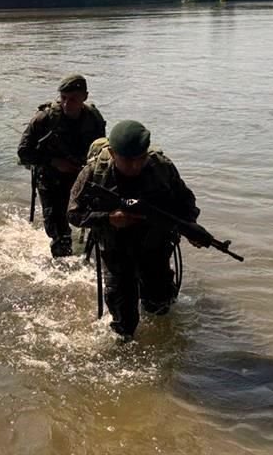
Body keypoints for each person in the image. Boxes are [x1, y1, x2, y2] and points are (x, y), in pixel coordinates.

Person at [67, 120, 204, 340]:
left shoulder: (161, 167)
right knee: (124, 323)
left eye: (141, 159)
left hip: (155, 246)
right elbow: (74, 214)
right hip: (116, 250)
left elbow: (186, 201)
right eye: (127, 160)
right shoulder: (94, 172)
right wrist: (109, 218)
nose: (135, 166)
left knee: (160, 305)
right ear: (112, 153)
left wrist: (191, 226)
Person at [17, 74, 106, 258]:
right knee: (60, 236)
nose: (66, 104)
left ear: (85, 97)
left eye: (72, 99)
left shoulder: (94, 119)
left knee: (94, 226)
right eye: (63, 98)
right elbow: (24, 153)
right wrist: (54, 162)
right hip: (50, 180)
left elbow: (100, 153)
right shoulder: (44, 119)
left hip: (80, 178)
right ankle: (60, 273)